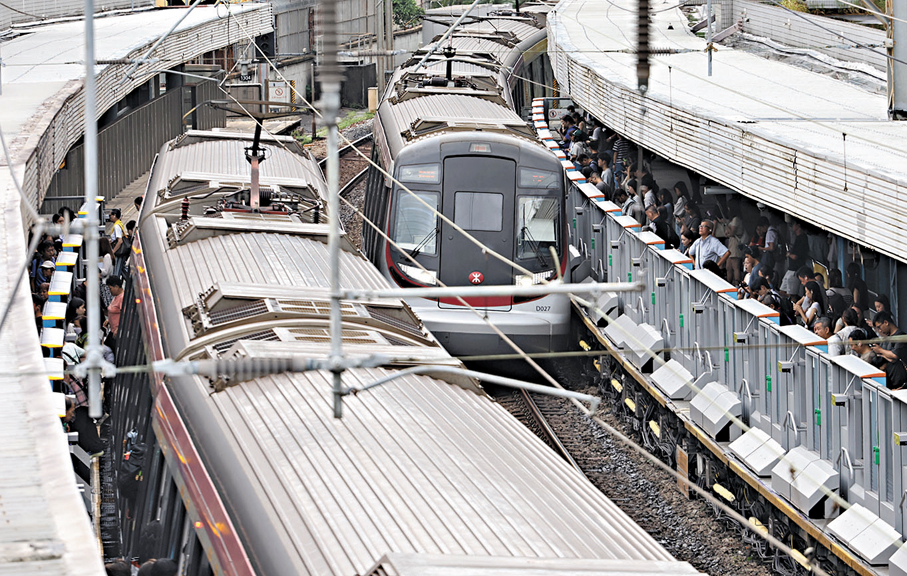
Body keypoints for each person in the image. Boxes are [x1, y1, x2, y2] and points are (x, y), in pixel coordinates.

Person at [781, 220, 810, 295]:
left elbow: (795, 256)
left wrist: (788, 254)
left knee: (791, 293)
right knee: (782, 291)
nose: (791, 227)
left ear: (798, 226)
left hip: (795, 269)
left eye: (793, 224)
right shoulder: (797, 238)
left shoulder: (802, 238)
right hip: (790, 269)